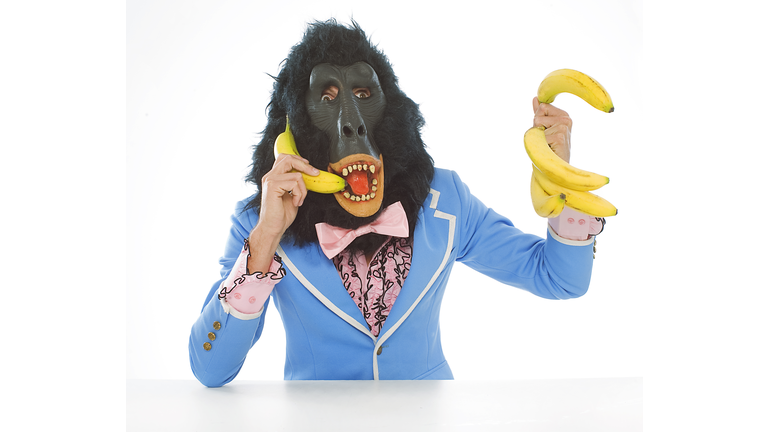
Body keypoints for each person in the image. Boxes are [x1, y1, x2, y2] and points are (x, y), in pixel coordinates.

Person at [189, 19, 604, 387]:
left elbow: (559, 278)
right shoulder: (260, 223)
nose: (351, 123)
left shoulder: (447, 201)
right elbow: (210, 370)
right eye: (328, 99)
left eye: (364, 93)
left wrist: (560, 180)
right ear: (293, 134)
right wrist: (265, 239)